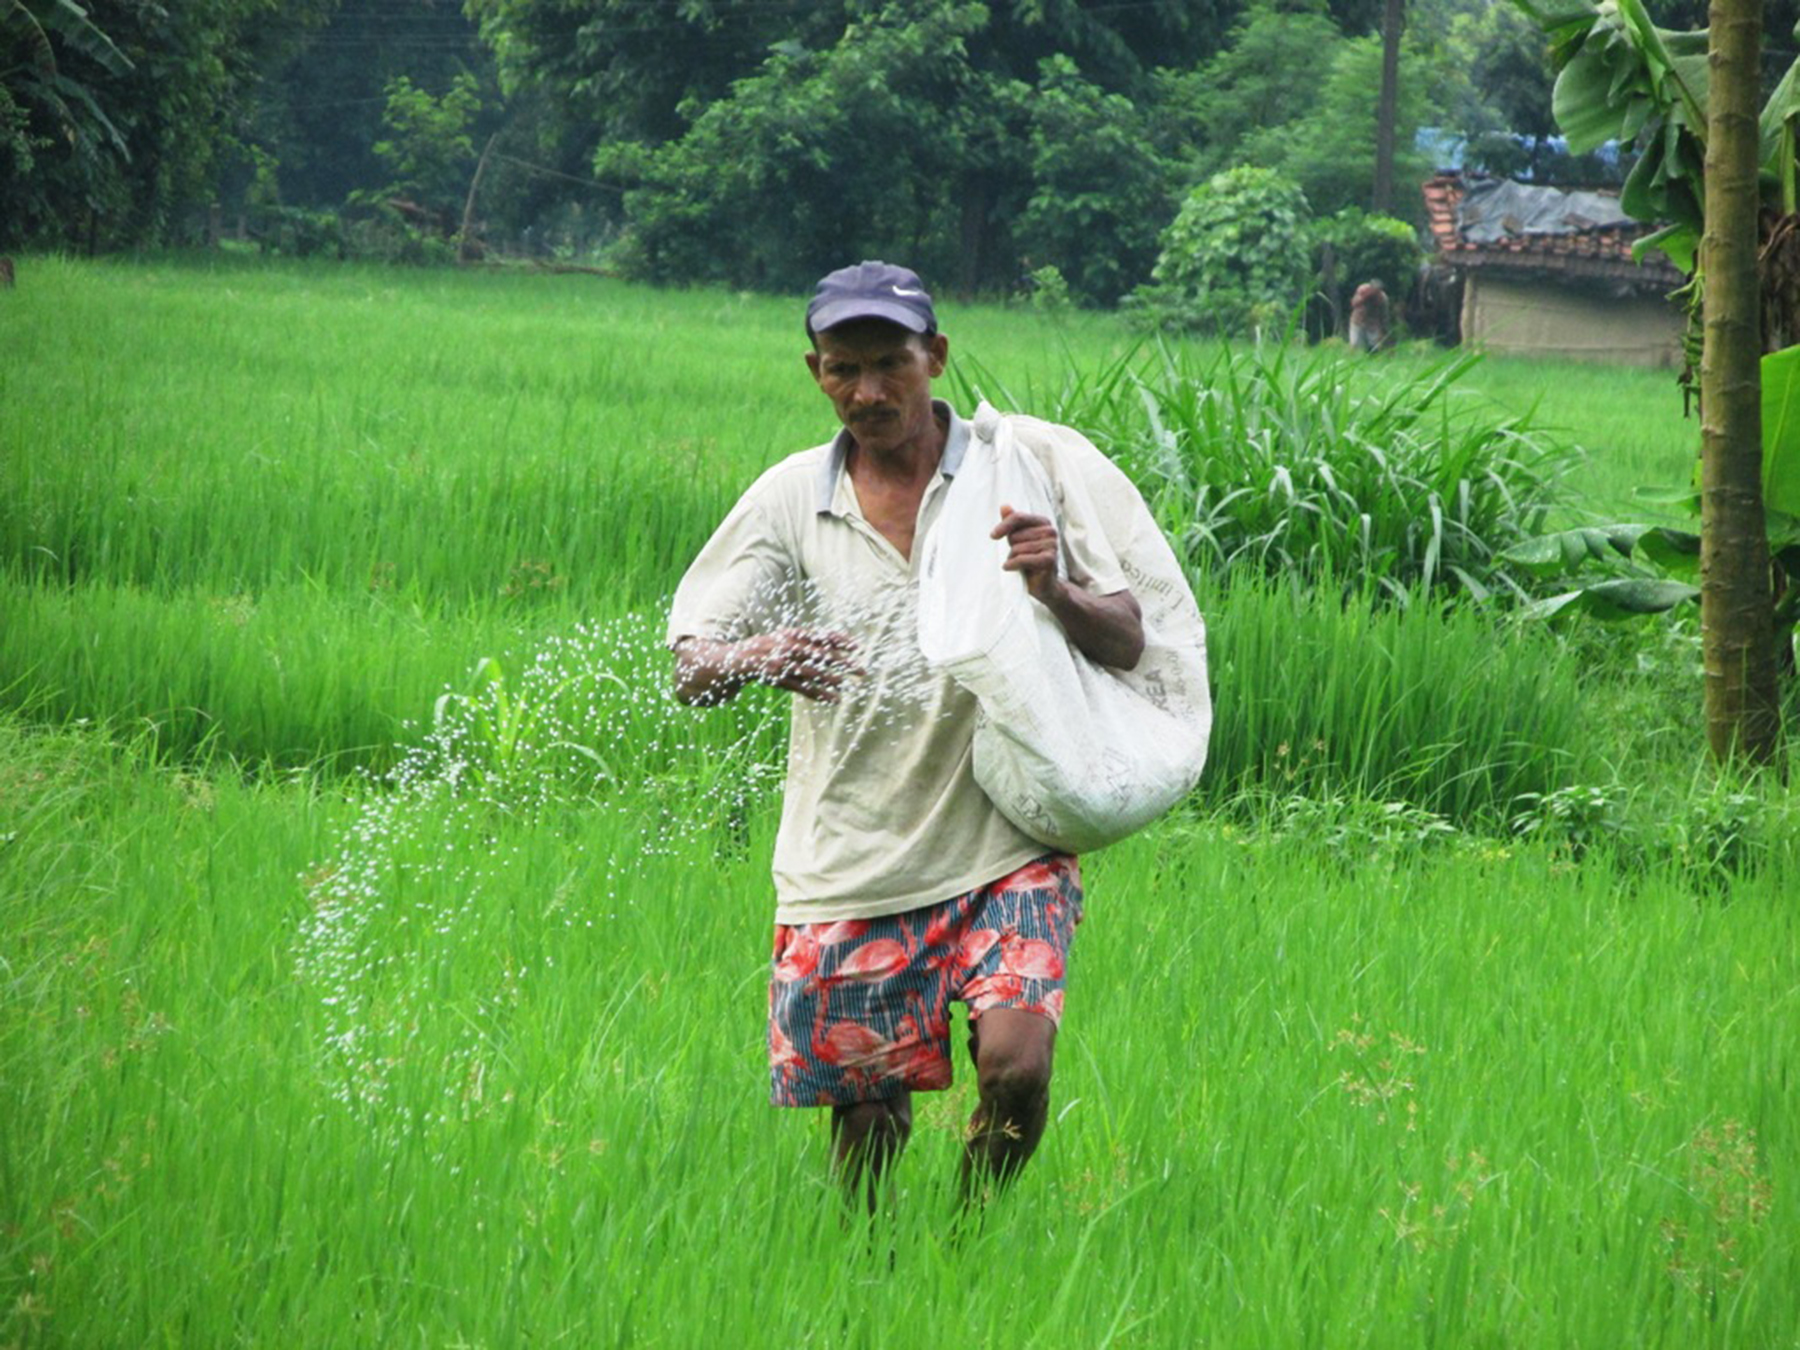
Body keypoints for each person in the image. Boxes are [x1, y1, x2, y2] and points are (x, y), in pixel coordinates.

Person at [666, 260, 1146, 1210]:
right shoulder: (790, 499)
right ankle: (876, 1273)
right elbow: (691, 666)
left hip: (1008, 840)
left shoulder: (1017, 478)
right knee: (868, 1120)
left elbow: (1130, 641)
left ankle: (970, 1241)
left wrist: (1053, 590)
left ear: (937, 356)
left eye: (891, 364)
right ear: (815, 371)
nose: (869, 391)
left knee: (1016, 1069)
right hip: (854, 854)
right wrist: (761, 654)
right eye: (844, 369)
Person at [1348, 279, 1391, 353]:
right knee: (1356, 344)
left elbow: (1384, 314)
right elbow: (1354, 304)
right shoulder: (1362, 290)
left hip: (1373, 324)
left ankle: (1373, 358)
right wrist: (1363, 297)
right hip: (1357, 321)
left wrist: (1384, 328)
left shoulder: (1383, 298)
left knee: (1374, 345)